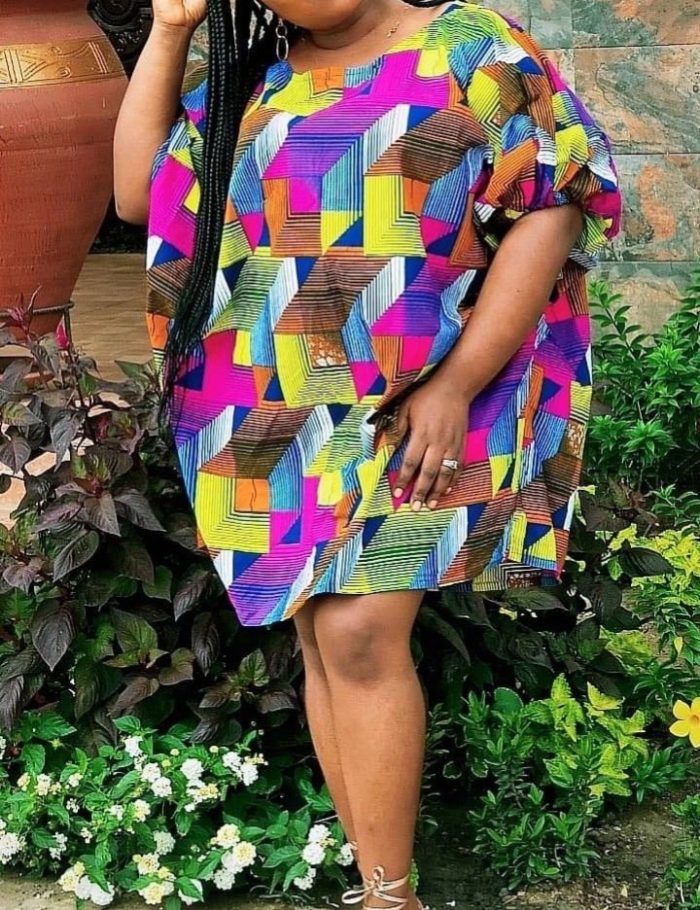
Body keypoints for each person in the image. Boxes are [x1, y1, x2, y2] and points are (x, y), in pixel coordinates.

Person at [114, 1, 622, 907]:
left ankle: (393, 900)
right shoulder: (256, 82)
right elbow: (135, 195)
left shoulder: (468, 46)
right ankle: (379, 886)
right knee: (322, 636)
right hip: (275, 403)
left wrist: (456, 384)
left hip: (428, 393)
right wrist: (169, 31)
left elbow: (550, 209)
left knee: (357, 631)